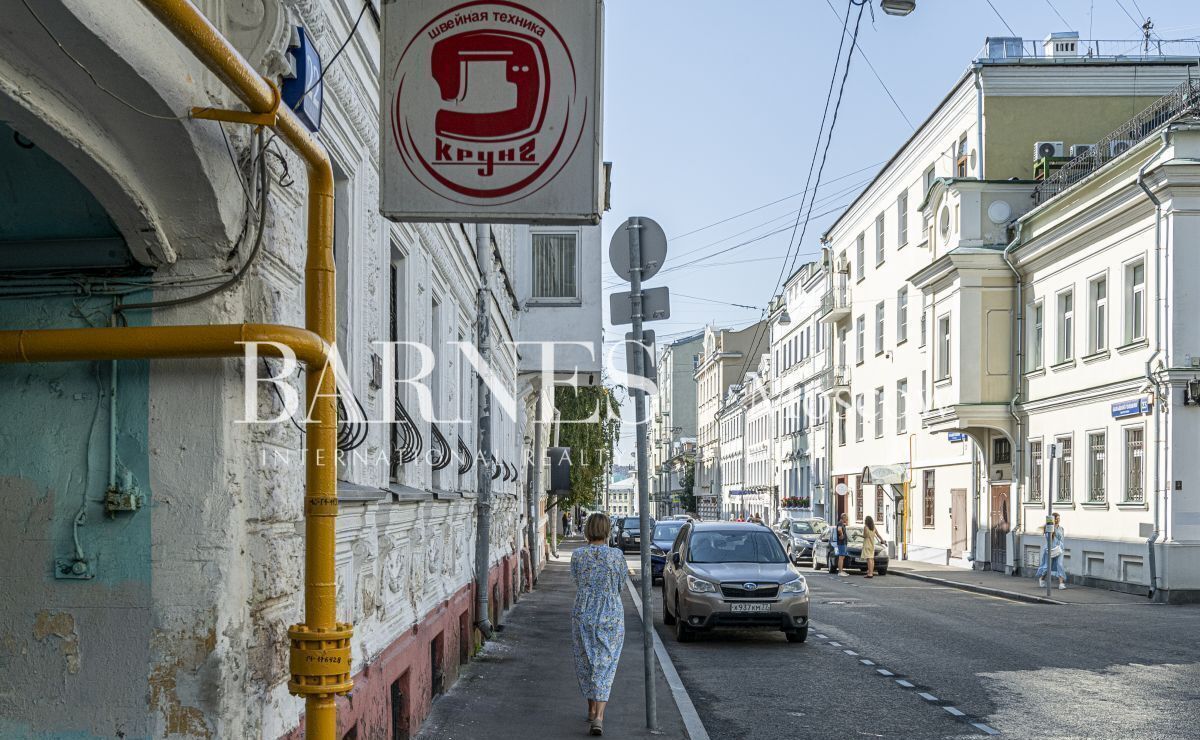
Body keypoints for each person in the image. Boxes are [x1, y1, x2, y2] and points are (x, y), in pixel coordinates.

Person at [571, 513, 626, 736]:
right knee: (606, 663)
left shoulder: (578, 555)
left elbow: (576, 580)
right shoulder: (616, 556)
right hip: (611, 613)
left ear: (587, 531)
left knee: (586, 661)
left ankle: (592, 709)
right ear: (607, 531)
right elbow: (621, 583)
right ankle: (600, 717)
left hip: (583, 611)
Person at [1036, 512, 1067, 590]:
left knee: (1060, 565)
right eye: (1056, 519)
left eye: (1059, 519)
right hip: (1050, 549)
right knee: (1047, 566)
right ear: (1053, 520)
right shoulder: (1048, 528)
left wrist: (1061, 547)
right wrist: (1051, 529)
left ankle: (1061, 583)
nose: (1058, 520)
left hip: (1059, 550)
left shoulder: (1061, 528)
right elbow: (1048, 538)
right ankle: (1042, 579)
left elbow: (1062, 539)